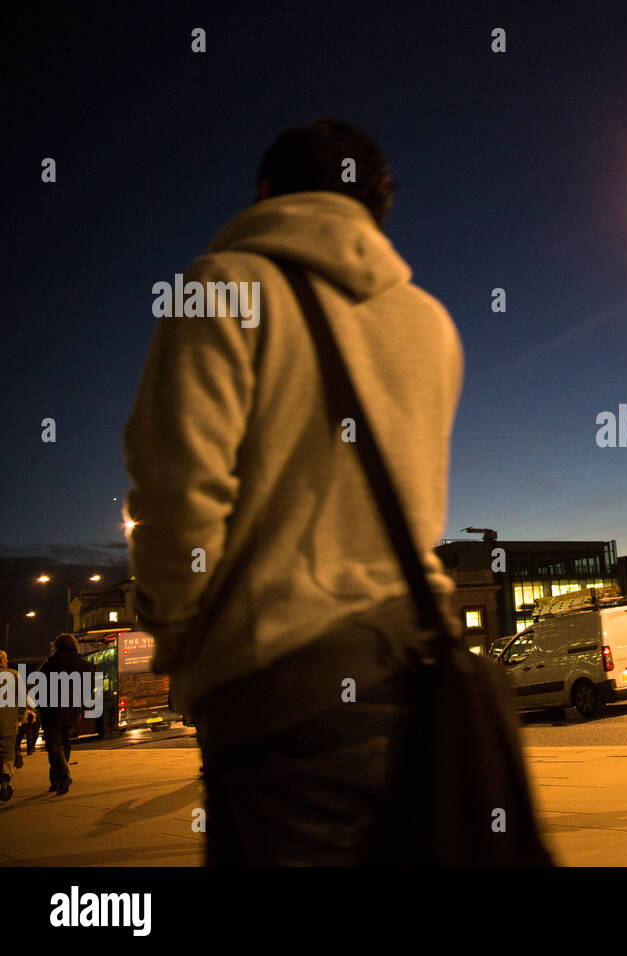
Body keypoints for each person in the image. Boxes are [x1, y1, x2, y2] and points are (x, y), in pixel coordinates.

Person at [124, 119, 464, 864]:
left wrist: (180, 640)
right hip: (416, 680)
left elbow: (176, 493)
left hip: (280, 692)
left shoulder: (221, 288)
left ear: (267, 192)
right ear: (377, 209)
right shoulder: (432, 324)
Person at [36, 635, 95, 796]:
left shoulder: (49, 665)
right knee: (64, 743)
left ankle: (63, 777)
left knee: (54, 745)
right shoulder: (85, 665)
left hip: (52, 710)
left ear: (57, 646)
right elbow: (88, 689)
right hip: (72, 710)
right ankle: (56, 781)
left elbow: (39, 688)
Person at [0, 650, 21, 800]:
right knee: (7, 753)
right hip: (8, 723)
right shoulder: (13, 675)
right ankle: (5, 782)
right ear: (2, 661)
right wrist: (22, 715)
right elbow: (22, 700)